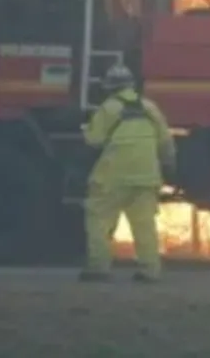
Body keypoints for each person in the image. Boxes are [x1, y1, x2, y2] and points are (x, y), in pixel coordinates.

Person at [80, 62, 176, 283]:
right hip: (146, 176)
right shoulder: (150, 107)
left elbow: (93, 141)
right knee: (144, 225)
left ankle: (98, 268)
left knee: (99, 218)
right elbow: (166, 143)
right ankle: (150, 271)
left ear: (109, 87)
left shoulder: (108, 108)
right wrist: (170, 166)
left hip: (112, 176)